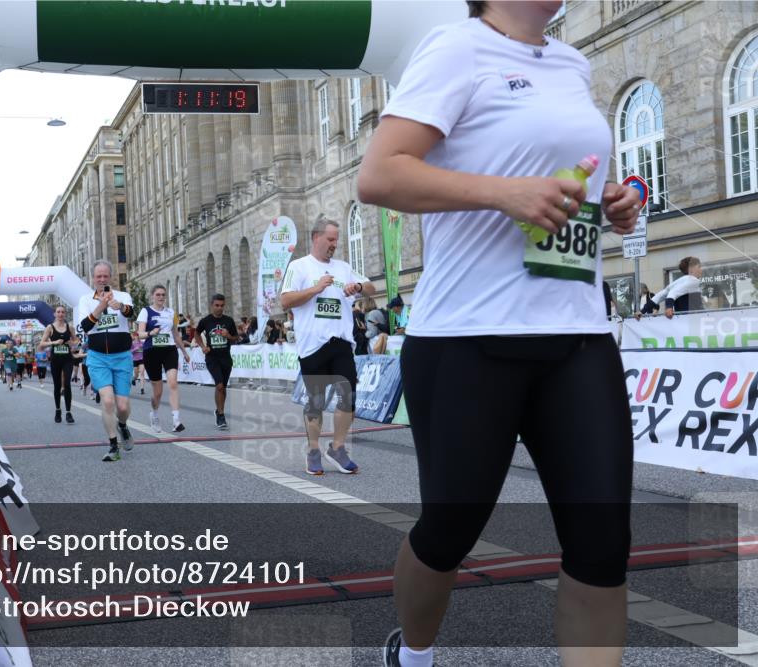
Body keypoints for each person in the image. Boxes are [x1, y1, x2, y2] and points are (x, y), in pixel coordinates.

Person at [356, 1, 642, 665]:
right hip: (466, 337)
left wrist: (609, 205)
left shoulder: (571, 63)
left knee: (603, 542)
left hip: (576, 333)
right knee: (451, 527)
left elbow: (563, 185)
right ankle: (414, 652)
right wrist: (503, 193)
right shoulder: (456, 49)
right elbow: (379, 173)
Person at [279, 217, 375, 476]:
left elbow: (370, 287)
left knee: (348, 397)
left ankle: (338, 447)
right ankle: (313, 450)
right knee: (317, 402)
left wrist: (357, 286)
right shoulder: (299, 267)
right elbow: (286, 300)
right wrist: (315, 288)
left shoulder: (343, 267)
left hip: (342, 342)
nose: (334, 244)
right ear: (316, 238)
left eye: (336, 240)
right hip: (313, 346)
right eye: (331, 239)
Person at [78, 260, 136, 461]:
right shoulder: (85, 300)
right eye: (98, 276)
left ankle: (122, 425)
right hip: (98, 357)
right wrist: (100, 307)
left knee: (122, 406)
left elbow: (132, 313)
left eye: (105, 276)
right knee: (108, 401)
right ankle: (113, 446)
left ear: (110, 277)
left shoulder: (122, 296)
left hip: (121, 357)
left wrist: (119, 306)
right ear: (93, 278)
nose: (102, 279)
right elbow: (83, 327)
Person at [137, 285, 192, 433]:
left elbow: (175, 335)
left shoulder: (171, 312)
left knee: (173, 383)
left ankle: (176, 420)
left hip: (169, 350)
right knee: (158, 391)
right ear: (152, 296)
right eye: (158, 295)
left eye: (163, 295)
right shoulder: (145, 311)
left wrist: (184, 352)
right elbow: (139, 334)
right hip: (152, 351)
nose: (161, 297)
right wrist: (150, 333)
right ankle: (154, 414)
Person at [194, 293, 240, 429]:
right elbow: (196, 333)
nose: (219, 308)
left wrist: (229, 335)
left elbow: (236, 338)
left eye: (222, 306)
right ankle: (221, 415)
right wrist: (202, 346)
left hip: (226, 358)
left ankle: (218, 410)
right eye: (217, 305)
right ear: (211, 305)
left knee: (223, 388)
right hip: (212, 358)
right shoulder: (206, 321)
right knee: (219, 386)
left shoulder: (229, 321)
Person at [38, 306, 81, 424]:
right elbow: (42, 343)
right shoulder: (50, 328)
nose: (61, 314)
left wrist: (71, 342)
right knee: (57, 385)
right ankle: (58, 410)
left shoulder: (69, 327)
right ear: (55, 314)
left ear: (65, 314)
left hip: (67, 359)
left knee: (67, 384)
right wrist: (54, 342)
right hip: (55, 360)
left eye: (62, 312)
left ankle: (68, 412)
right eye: (58, 312)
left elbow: (77, 341)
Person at [637, 256, 704, 319]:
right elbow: (672, 293)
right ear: (691, 269)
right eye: (699, 267)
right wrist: (669, 307)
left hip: (681, 320)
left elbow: (659, 296)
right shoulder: (693, 280)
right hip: (692, 321)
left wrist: (642, 311)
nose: (701, 270)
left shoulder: (677, 282)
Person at [130, 328, 146, 394]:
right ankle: (134, 379)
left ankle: (142, 389)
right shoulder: (132, 344)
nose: (137, 337)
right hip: (135, 360)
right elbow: (130, 352)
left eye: (138, 335)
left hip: (142, 360)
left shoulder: (142, 343)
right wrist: (136, 349)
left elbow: (145, 350)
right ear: (134, 336)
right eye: (135, 335)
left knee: (142, 373)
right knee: (136, 375)